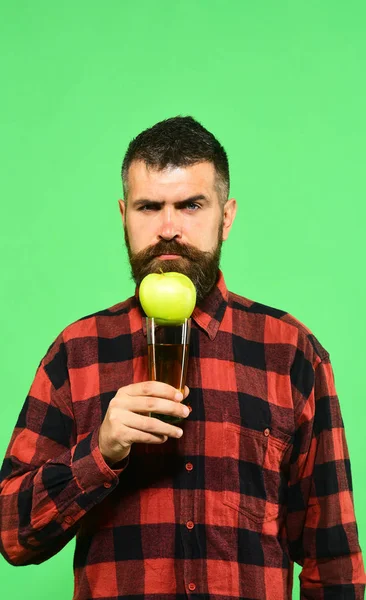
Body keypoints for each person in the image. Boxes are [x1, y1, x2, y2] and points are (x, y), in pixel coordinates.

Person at [0, 116, 364, 599]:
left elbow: (333, 559)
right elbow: (11, 533)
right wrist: (100, 452)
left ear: (226, 216)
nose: (168, 228)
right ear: (123, 214)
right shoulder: (77, 351)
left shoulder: (292, 351)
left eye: (191, 205)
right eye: (149, 207)